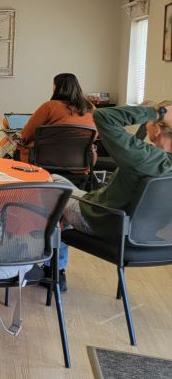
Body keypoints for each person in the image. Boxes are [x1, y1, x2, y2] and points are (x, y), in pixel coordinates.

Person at [52, 102, 172, 289]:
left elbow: (103, 116)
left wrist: (156, 112)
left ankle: (52, 270)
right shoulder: (151, 159)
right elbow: (137, 148)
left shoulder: (144, 158)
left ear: (157, 128)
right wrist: (146, 125)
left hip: (102, 221)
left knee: (52, 184)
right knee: (67, 190)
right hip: (149, 237)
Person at [17, 73, 96, 161]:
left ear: (57, 87)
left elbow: (26, 134)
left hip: (45, 160)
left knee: (15, 148)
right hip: (81, 161)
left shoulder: (49, 106)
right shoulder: (91, 108)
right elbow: (94, 135)